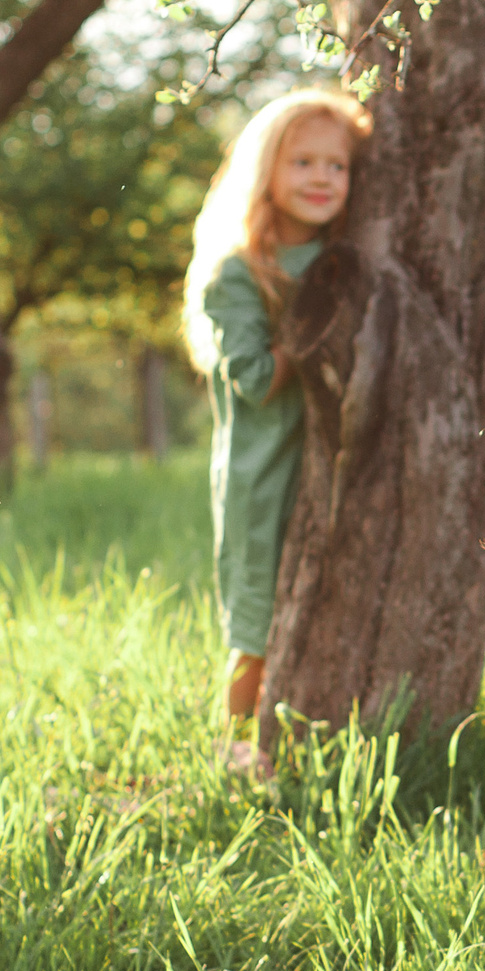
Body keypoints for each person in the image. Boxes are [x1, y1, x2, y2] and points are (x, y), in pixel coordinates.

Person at [181, 87, 370, 771]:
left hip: (334, 467)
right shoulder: (238, 270)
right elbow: (255, 378)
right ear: (266, 169)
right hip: (263, 475)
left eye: (337, 165)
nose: (322, 178)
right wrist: (313, 325)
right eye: (303, 163)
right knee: (257, 620)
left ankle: (315, 746)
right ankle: (236, 748)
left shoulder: (348, 253)